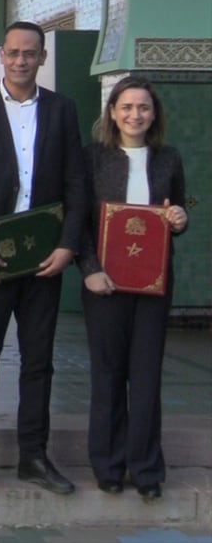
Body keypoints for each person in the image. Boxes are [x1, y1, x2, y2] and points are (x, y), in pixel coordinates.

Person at [0, 21, 86, 495]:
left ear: (42, 58)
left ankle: (34, 455)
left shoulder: (64, 110)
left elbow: (76, 183)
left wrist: (69, 245)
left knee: (38, 361)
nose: (21, 60)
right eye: (12, 53)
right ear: (1, 57)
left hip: (45, 259)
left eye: (30, 53)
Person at [78, 77, 187, 502]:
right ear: (112, 112)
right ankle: (107, 465)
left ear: (154, 113)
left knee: (146, 377)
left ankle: (146, 469)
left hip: (154, 284)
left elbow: (177, 210)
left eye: (143, 107)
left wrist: (179, 218)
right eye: (126, 107)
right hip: (103, 283)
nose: (135, 115)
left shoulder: (169, 159)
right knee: (108, 375)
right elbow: (80, 222)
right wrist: (88, 268)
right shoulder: (93, 159)